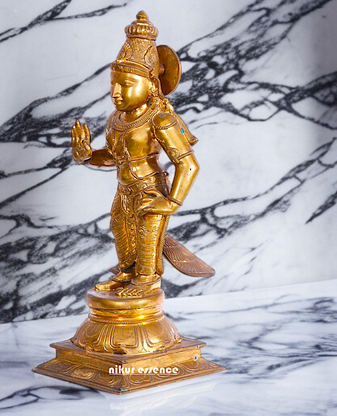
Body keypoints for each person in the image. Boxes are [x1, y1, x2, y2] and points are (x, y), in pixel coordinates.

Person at [71, 11, 200, 298]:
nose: (116, 93)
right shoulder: (116, 119)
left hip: (149, 189)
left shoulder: (160, 119)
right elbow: (114, 157)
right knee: (119, 227)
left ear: (151, 85)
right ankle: (127, 272)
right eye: (113, 84)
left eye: (126, 85)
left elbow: (188, 164)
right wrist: (88, 156)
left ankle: (146, 279)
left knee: (146, 234)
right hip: (124, 189)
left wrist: (172, 201)